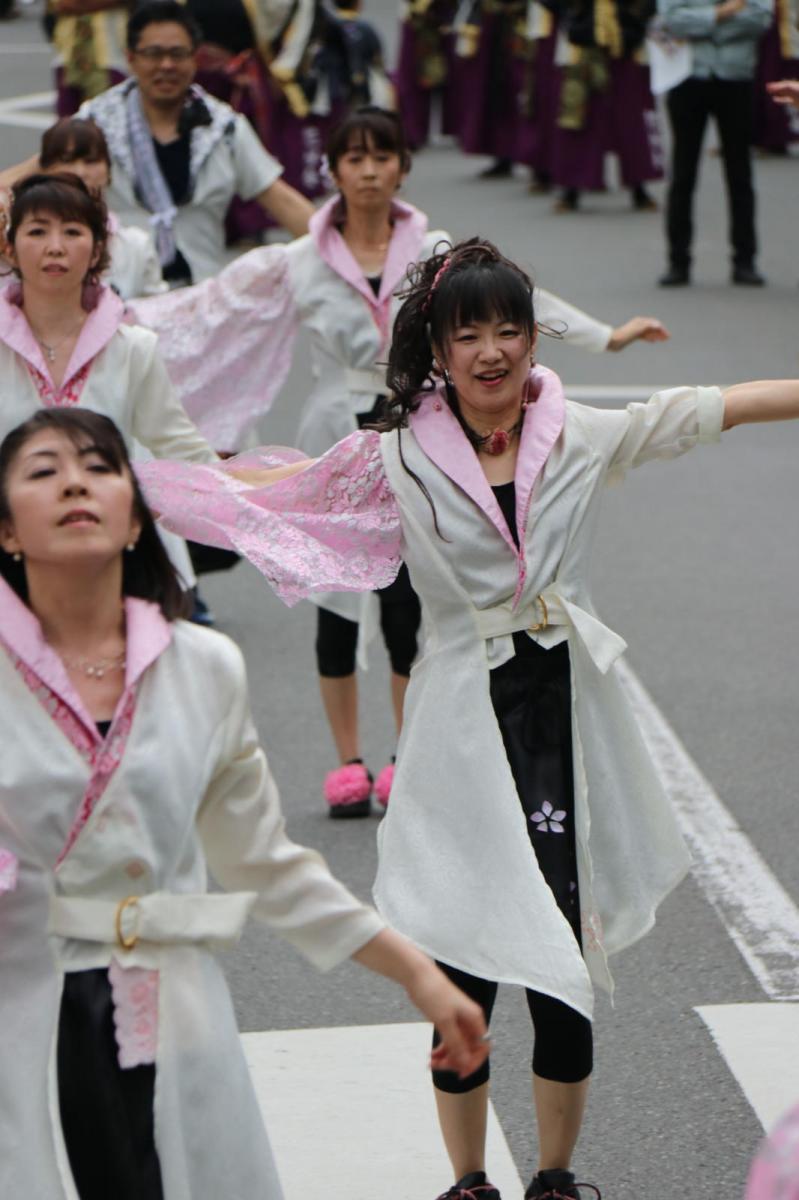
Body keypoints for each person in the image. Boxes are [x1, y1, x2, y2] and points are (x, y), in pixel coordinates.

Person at [134, 237, 799, 1199]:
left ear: (533, 341)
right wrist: (135, 480)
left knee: (565, 970)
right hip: (457, 726)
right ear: (436, 352)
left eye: (509, 330)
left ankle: (559, 1179)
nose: (491, 350)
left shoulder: (579, 433)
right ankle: (468, 1180)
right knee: (464, 969)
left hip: (563, 721)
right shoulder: (392, 460)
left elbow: (718, 407)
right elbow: (259, 498)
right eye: (468, 332)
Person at [0, 405, 489, 1200]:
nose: (75, 484)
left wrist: (417, 975)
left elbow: (264, 862)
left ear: (134, 519)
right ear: (7, 532)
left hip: (174, 1017)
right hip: (22, 1020)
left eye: (98, 466)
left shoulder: (205, 669)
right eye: (44, 471)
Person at [127, 106, 670, 816]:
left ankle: (405, 753)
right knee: (332, 604)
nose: (369, 170)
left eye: (382, 155)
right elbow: (206, 309)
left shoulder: (434, 251)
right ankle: (346, 761)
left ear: (402, 167)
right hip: (336, 438)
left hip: (418, 437)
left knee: (408, 607)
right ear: (333, 171)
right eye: (353, 157)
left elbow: (517, 303)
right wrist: (105, 321)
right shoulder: (298, 260)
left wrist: (605, 338)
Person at [79, 1, 315, 285]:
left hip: (201, 301)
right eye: (153, 54)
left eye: (177, 54)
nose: (166, 65)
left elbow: (283, 202)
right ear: (131, 58)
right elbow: (39, 181)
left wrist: (346, 255)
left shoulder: (224, 128)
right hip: (117, 297)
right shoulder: (94, 122)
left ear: (195, 59)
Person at [657, 0, 772, 287]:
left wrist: (704, 27)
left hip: (736, 74)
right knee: (683, 172)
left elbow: (759, 18)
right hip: (688, 75)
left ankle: (745, 260)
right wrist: (720, 14)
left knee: (740, 173)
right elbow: (671, 19)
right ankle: (678, 261)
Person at [0, 117, 167, 300]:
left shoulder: (136, 246)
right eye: (66, 160)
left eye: (91, 161)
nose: (80, 172)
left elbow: (156, 313)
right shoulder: (17, 240)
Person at [546, 0, 662, 212]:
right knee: (579, 118)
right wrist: (574, 19)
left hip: (626, 43)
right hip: (583, 46)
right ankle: (572, 188)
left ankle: (638, 186)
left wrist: (632, 22)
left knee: (631, 118)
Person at [50, 0, 130, 118]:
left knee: (114, 120)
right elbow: (62, 4)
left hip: (111, 53)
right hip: (70, 53)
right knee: (67, 123)